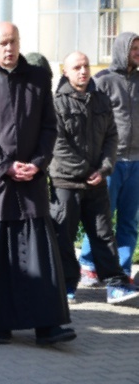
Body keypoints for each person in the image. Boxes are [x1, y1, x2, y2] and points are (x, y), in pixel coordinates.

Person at [0, 21, 74, 346]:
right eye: (2, 44)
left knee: (39, 257)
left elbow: (49, 128)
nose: (8, 48)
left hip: (31, 182)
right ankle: (1, 324)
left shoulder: (39, 78)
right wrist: (6, 167)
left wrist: (37, 165)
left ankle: (47, 326)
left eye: (12, 41)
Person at [50, 51, 139, 305]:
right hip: (67, 182)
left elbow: (112, 135)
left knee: (103, 234)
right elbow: (58, 145)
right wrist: (86, 170)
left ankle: (114, 285)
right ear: (65, 71)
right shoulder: (57, 103)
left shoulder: (100, 100)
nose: (83, 71)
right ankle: (66, 286)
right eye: (76, 67)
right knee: (63, 237)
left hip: (96, 180)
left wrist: (104, 167)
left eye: (86, 66)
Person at [80, 32, 139, 284]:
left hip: (136, 161)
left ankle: (122, 271)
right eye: (134, 48)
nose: (137, 52)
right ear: (122, 50)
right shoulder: (102, 81)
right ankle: (88, 263)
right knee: (101, 216)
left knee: (129, 220)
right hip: (110, 162)